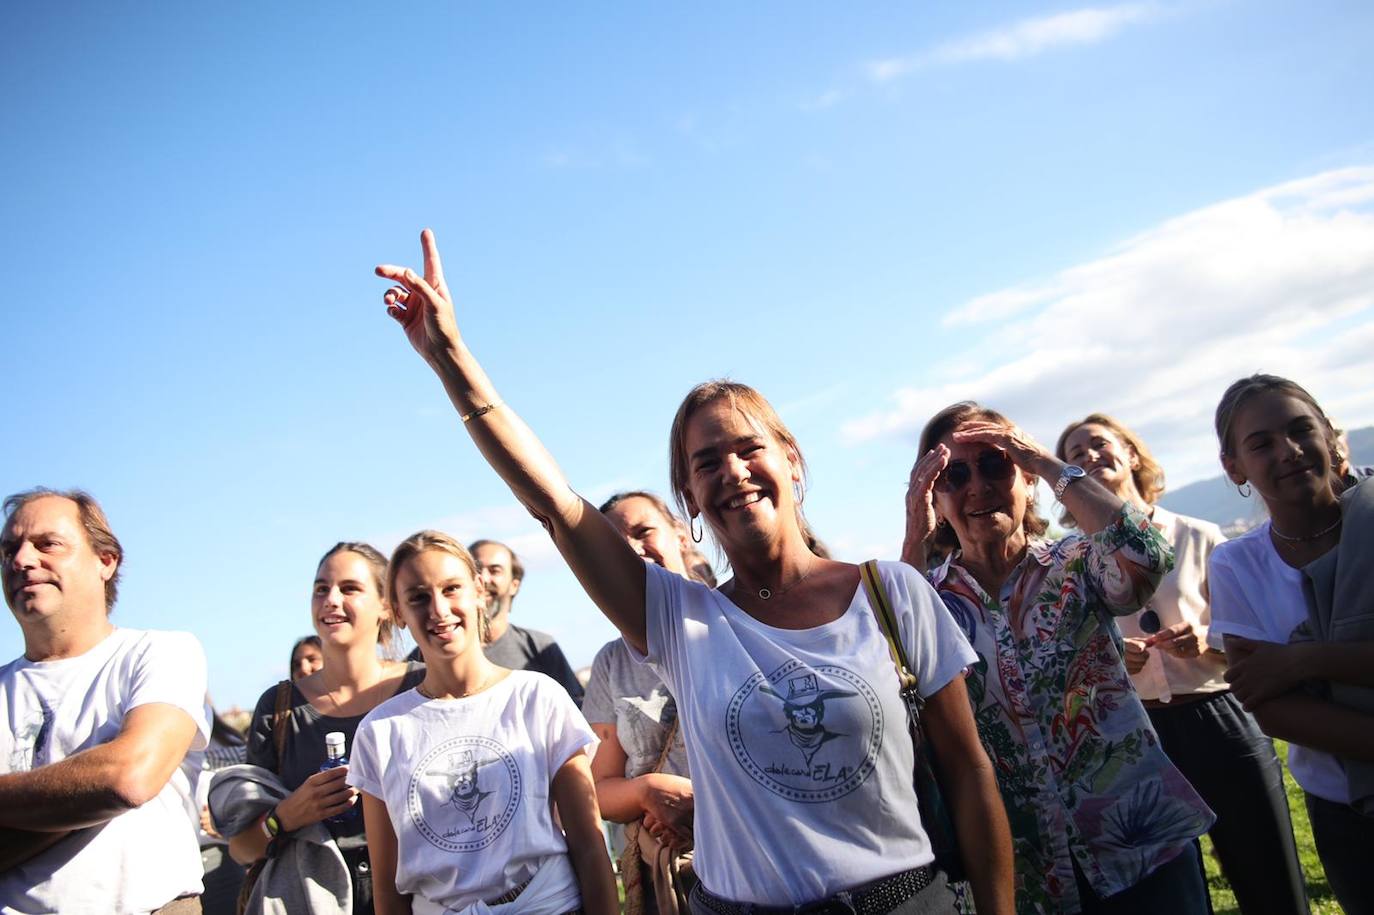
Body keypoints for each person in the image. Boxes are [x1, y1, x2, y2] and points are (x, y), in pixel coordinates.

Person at [372, 229, 1014, 914]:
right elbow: (555, 505)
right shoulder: (681, 620)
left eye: (748, 448)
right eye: (707, 463)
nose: (733, 472)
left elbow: (969, 771)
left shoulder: (893, 595)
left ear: (791, 459)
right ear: (690, 497)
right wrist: (451, 359)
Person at [904, 404, 1214, 914]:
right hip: (1027, 871)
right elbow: (898, 661)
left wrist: (1046, 461)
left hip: (1138, 845)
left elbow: (1148, 554)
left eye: (996, 464)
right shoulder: (927, 599)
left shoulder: (1077, 562)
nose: (977, 485)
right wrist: (915, 529)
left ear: (1027, 482)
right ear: (934, 496)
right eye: (954, 475)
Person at [1056, 413, 1308, 914]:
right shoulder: (1070, 558)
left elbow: (1257, 629)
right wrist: (1106, 658)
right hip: (1135, 734)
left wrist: (1209, 639)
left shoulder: (1199, 535)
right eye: (1074, 455)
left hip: (1218, 718)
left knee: (1267, 868)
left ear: (1131, 453)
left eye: (1098, 445)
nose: (1088, 457)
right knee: (1178, 889)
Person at [348, 530, 616, 915]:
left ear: (478, 591)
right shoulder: (380, 732)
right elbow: (388, 891)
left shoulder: (537, 697)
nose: (438, 610)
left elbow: (590, 846)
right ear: (398, 613)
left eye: (451, 588)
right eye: (418, 597)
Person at [1206, 374, 1374, 914]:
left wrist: (1305, 660)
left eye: (1303, 429)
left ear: (1331, 436)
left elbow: (1281, 681)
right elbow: (1270, 706)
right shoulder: (1237, 564)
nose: (1290, 451)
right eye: (1261, 444)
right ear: (1235, 468)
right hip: (1347, 817)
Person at [0, 487, 211, 914]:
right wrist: (84, 790)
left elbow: (129, 777)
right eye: (9, 549)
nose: (22, 560)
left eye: (48, 544)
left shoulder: (160, 652)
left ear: (106, 561)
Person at [228, 542, 424, 914]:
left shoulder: (423, 686)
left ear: (385, 604)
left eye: (349, 588)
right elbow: (241, 848)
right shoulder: (279, 708)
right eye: (321, 589)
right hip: (313, 899)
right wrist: (285, 816)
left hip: (421, 896)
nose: (331, 599)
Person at [586, 491, 697, 913]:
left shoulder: (738, 617)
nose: (632, 549)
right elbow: (599, 789)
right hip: (668, 884)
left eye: (643, 531)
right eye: (615, 544)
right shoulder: (611, 663)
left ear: (680, 536)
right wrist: (648, 791)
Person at [470, 539, 585, 703]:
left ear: (514, 585)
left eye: (495, 570)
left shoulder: (540, 648)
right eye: (477, 569)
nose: (484, 579)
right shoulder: (429, 655)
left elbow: (576, 714)